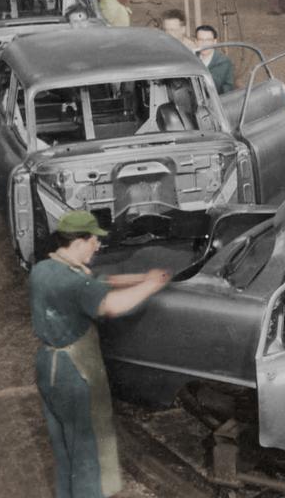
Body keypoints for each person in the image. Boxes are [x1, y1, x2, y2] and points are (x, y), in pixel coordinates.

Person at [31, 210, 170, 498]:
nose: (98, 246)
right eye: (94, 240)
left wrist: (139, 276)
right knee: (88, 451)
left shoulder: (44, 269)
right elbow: (111, 305)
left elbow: (97, 282)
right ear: (80, 241)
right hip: (76, 372)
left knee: (65, 449)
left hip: (48, 366)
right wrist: (151, 284)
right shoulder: (75, 283)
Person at [195, 25, 234, 94]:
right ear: (196, 41)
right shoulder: (192, 58)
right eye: (200, 40)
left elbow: (213, 86)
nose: (204, 44)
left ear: (214, 41)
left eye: (208, 40)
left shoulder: (223, 61)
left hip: (221, 101)